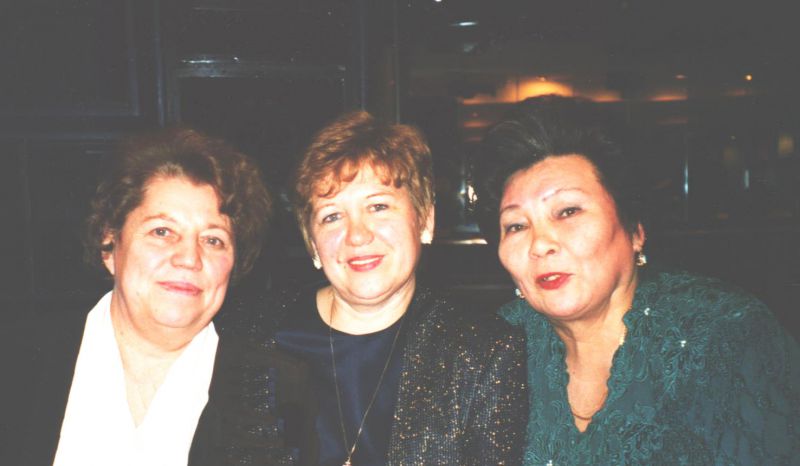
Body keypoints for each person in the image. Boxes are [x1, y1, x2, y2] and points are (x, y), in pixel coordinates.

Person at [473, 95, 799, 465]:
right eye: (516, 225)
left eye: (568, 211)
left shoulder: (724, 334)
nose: (540, 244)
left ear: (634, 230)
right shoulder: (493, 349)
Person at [0, 128, 311, 465]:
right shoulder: (16, 361)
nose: (189, 258)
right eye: (162, 231)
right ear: (109, 244)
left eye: (213, 240)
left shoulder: (281, 389)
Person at [235, 110, 527, 465]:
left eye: (378, 206)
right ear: (312, 244)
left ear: (425, 221)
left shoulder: (484, 351)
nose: (357, 235)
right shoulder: (251, 335)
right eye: (332, 216)